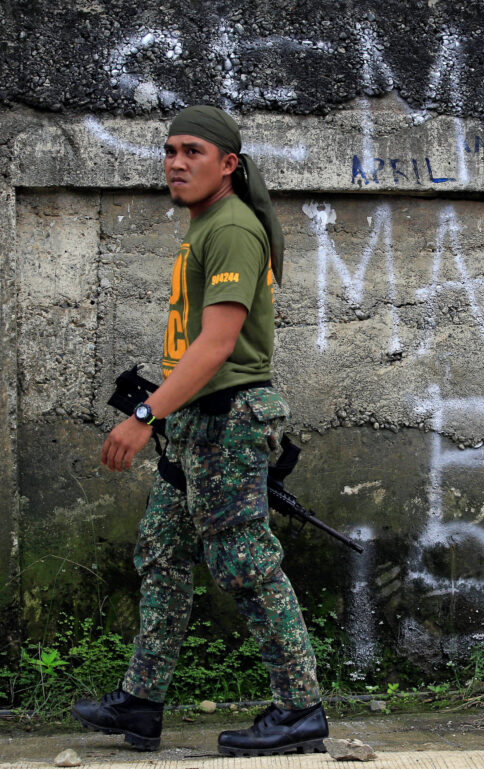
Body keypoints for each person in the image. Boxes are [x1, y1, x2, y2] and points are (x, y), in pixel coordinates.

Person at [70, 106, 328, 757]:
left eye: (192, 151)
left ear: (228, 164)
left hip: (228, 421)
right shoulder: (206, 224)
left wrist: (144, 413)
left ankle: (300, 705)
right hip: (194, 425)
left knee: (246, 564)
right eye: (169, 150)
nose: (176, 162)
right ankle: (142, 702)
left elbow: (216, 344)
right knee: (162, 550)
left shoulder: (234, 227)